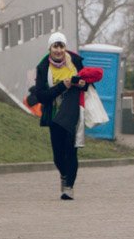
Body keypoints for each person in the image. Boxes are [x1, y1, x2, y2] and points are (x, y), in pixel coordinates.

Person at [28, 32, 103, 201]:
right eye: (55, 46)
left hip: (74, 112)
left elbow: (86, 83)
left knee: (71, 149)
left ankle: (69, 186)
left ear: (65, 47)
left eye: (61, 46)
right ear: (50, 48)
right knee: (58, 155)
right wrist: (63, 85)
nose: (59, 50)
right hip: (55, 114)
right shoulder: (43, 67)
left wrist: (83, 85)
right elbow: (41, 96)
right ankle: (64, 174)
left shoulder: (75, 61)